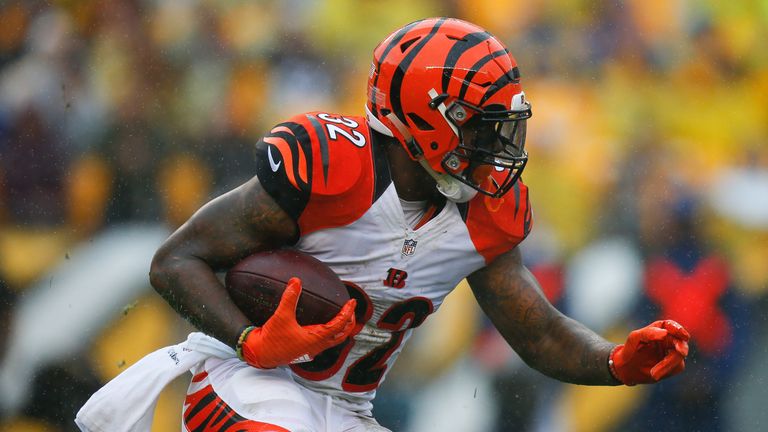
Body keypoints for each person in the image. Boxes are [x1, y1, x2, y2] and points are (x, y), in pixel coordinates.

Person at [76, 17, 689, 432]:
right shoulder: (330, 165)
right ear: (426, 119)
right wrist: (249, 339)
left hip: (348, 409)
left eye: (505, 126)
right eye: (482, 126)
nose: (498, 145)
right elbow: (175, 262)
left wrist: (614, 363)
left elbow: (540, 334)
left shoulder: (486, 213)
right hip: (246, 382)